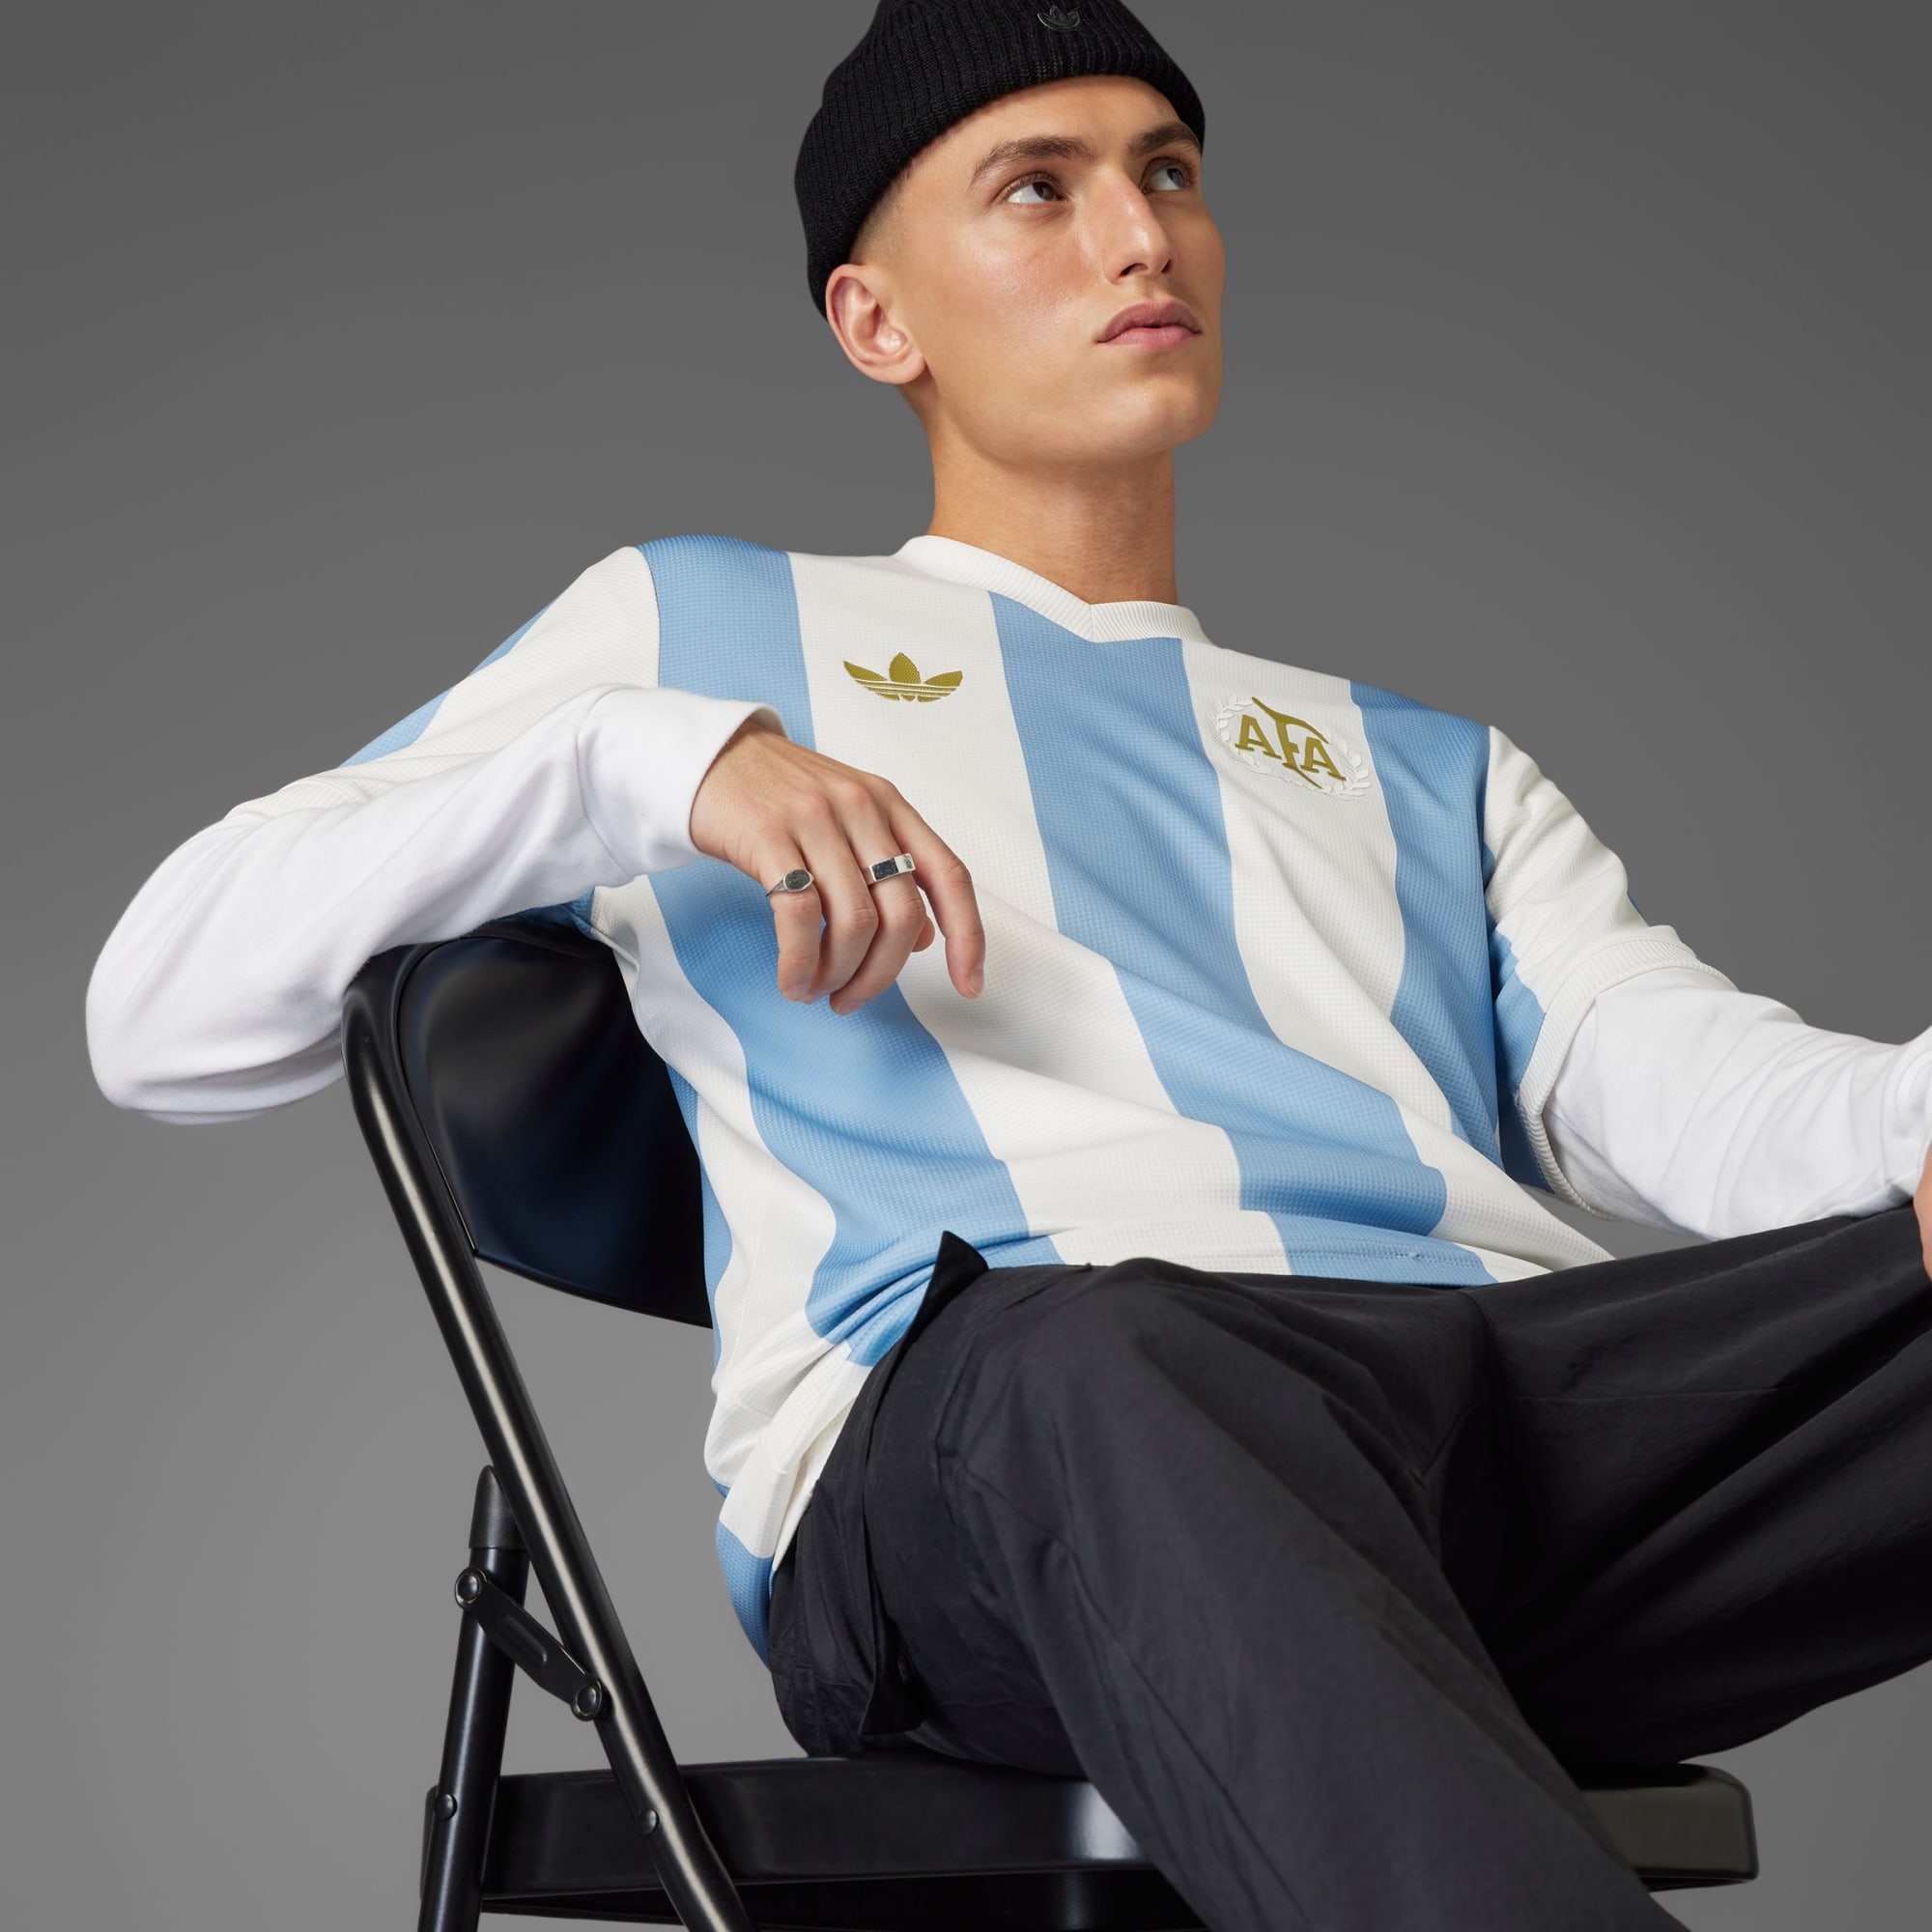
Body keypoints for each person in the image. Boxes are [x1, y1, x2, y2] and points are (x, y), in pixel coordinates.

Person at [86, 3, 1932, 1926]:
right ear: (876, 319)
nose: (1140, 236)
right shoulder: (701, 632)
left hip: (1498, 1463)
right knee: (1102, 1351)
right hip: (1004, 1463)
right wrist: (652, 763)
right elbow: (156, 1016)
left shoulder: (1434, 769)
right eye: (1037, 190)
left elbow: (1697, 1087)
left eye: (1169, 174)